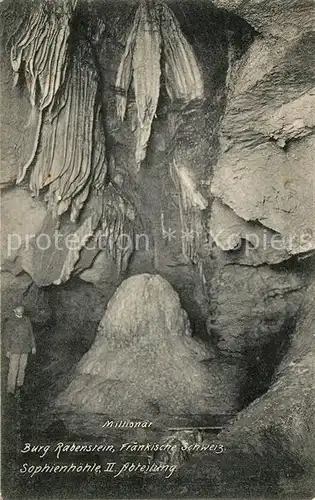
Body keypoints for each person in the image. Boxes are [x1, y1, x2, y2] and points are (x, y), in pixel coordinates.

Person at [3, 306, 36, 394]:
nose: (20, 310)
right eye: (18, 309)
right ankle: (10, 390)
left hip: (25, 348)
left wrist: (33, 346)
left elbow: (31, 334)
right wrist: (7, 350)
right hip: (14, 349)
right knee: (13, 369)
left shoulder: (26, 320)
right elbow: (6, 337)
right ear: (14, 310)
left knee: (22, 368)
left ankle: (19, 385)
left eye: (21, 309)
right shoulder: (10, 321)